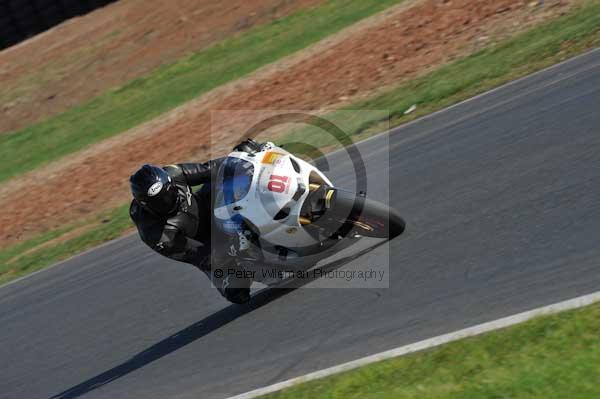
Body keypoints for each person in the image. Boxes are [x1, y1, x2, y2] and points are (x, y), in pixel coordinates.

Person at [129, 140, 264, 304]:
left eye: (169, 193)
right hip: (206, 243)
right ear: (146, 206)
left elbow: (211, 169)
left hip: (209, 206)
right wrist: (231, 246)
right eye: (159, 202)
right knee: (236, 291)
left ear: (170, 183)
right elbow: (199, 255)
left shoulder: (174, 173)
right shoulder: (157, 234)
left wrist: (244, 159)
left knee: (237, 168)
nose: (168, 200)